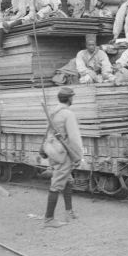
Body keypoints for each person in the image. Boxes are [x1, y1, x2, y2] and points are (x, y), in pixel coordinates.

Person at [42, 87, 84, 228]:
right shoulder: (67, 114)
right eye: (73, 97)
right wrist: (79, 156)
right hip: (62, 153)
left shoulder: (53, 112)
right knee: (58, 182)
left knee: (68, 180)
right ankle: (48, 219)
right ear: (70, 99)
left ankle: (69, 211)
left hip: (52, 150)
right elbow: (74, 138)